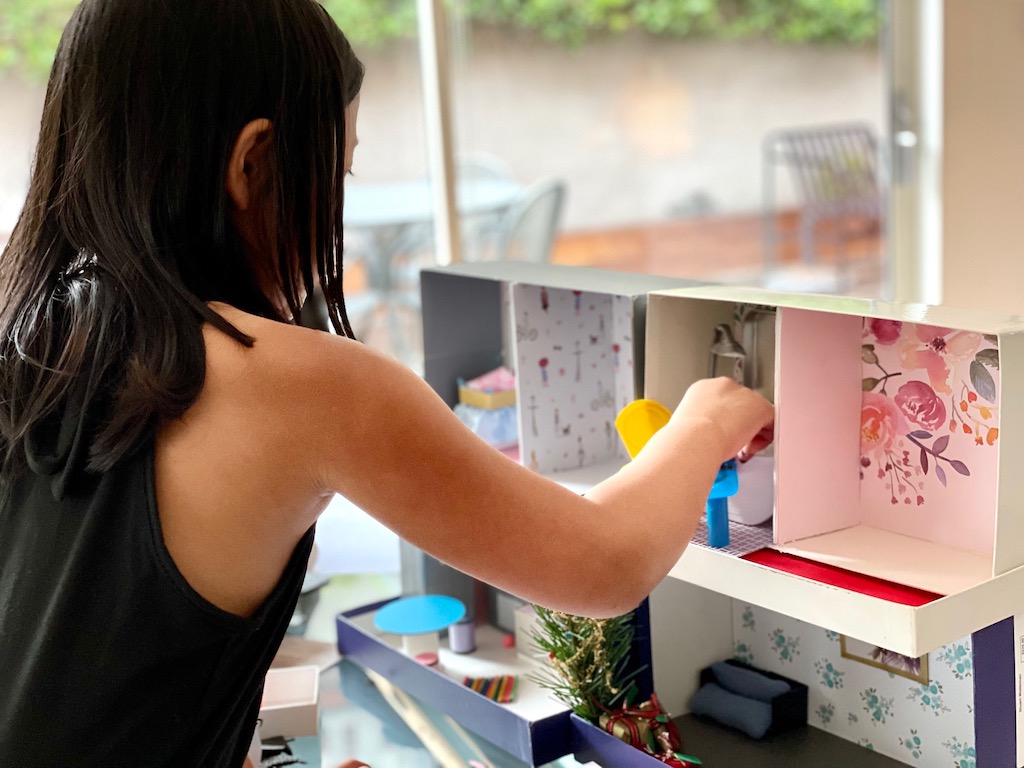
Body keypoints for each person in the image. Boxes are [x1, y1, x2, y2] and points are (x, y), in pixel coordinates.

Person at [0, 1, 774, 766]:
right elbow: (606, 563)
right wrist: (705, 422)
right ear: (250, 163)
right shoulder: (295, 383)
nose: (335, 203)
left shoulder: (28, 335)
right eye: (336, 170)